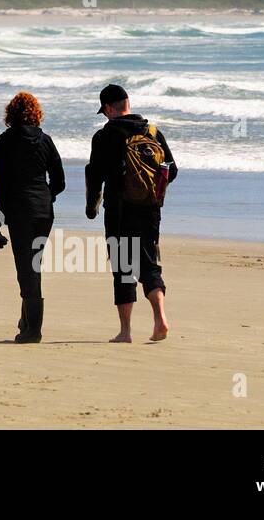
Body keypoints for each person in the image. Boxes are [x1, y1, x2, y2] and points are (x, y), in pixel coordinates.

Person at [85, 84, 178, 343]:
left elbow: (95, 175)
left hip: (118, 211)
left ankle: (125, 332)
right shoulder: (153, 132)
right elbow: (173, 169)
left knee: (124, 267)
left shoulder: (105, 136)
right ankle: (160, 318)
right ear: (128, 102)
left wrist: (91, 206)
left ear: (108, 108)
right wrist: (152, 193)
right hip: (150, 210)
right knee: (149, 263)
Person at [0, 91, 66, 343]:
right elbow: (60, 180)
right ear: (36, 114)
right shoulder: (45, 140)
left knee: (26, 267)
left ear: (10, 114)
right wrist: (48, 196)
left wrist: (6, 208)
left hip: (20, 209)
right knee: (34, 264)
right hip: (43, 210)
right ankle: (26, 321)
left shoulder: (5, 140)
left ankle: (33, 328)